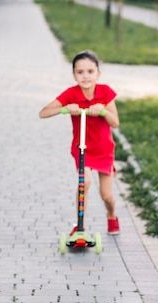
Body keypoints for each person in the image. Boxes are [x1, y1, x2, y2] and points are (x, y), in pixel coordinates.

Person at [39, 50, 121, 235]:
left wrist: (103, 111)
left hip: (104, 149)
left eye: (90, 71)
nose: (85, 76)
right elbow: (43, 113)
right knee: (85, 182)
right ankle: (80, 225)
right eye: (80, 72)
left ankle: (112, 215)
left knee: (106, 195)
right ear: (74, 74)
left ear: (98, 74)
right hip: (82, 148)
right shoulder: (71, 94)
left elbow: (115, 123)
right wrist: (65, 108)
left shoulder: (105, 92)